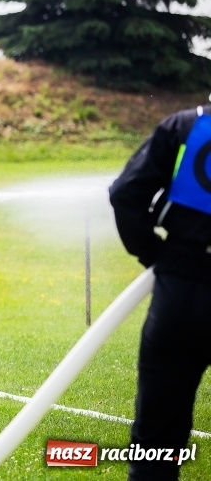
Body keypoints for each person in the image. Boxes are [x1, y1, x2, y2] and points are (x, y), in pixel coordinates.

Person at [109, 98, 211, 480]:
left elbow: (125, 194)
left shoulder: (185, 126)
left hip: (181, 290)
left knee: (156, 446)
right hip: (180, 275)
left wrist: (157, 255)